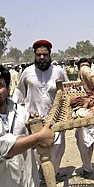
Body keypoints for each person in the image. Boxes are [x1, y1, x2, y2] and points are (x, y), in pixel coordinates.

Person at [12, 39, 69, 174]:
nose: (42, 57)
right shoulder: (27, 72)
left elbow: (67, 90)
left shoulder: (59, 72)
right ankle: (44, 173)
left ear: (50, 55)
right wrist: (13, 108)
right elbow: (19, 91)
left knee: (57, 148)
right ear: (35, 56)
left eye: (45, 54)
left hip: (56, 117)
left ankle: (52, 174)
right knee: (37, 150)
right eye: (39, 55)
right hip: (34, 119)